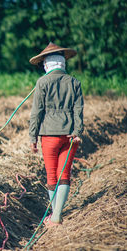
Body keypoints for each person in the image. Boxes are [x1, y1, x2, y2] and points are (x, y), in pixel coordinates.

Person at [29, 42, 84, 226]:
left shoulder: (42, 82)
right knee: (65, 174)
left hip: (49, 136)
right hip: (70, 136)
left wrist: (32, 138)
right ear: (62, 64)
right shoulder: (75, 82)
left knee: (52, 176)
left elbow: (36, 112)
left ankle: (55, 216)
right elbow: (79, 110)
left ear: (47, 65)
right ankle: (56, 215)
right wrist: (77, 131)